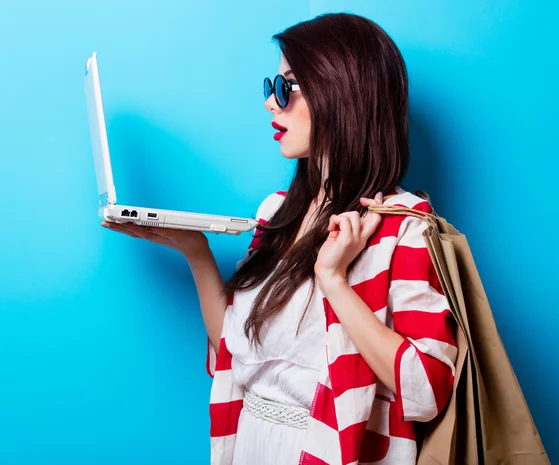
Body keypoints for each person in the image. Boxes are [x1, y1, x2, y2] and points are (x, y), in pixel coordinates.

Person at [102, 12, 457, 465]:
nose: (272, 104)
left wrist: (334, 282)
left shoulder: (403, 227)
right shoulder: (276, 212)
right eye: (272, 87)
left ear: (340, 92)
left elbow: (425, 391)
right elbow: (237, 354)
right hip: (248, 442)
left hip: (325, 449)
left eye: (287, 88)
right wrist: (196, 252)